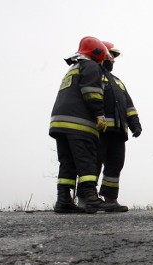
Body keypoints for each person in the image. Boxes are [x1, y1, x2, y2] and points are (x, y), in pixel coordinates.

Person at [49, 36, 116, 214]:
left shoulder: (74, 68)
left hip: (60, 123)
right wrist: (99, 115)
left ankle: (63, 200)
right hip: (78, 124)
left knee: (67, 162)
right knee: (86, 160)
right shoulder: (91, 66)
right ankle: (91, 198)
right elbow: (91, 92)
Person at [96, 41, 143, 213]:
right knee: (94, 163)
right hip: (99, 130)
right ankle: (87, 198)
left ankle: (110, 198)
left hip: (118, 131)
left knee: (115, 164)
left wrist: (135, 124)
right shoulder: (93, 75)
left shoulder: (117, 82)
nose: (113, 61)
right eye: (111, 57)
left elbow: (128, 105)